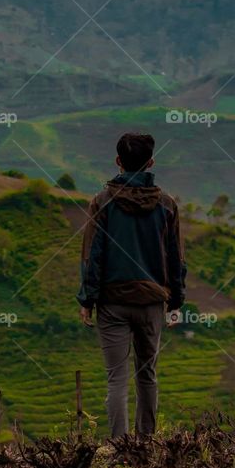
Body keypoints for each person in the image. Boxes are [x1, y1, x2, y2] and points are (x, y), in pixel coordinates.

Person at [77, 131, 186, 438]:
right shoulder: (167, 205)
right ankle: (145, 443)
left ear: (118, 162)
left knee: (116, 379)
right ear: (151, 162)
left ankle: (117, 446)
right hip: (151, 303)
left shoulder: (102, 202)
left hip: (112, 303)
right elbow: (175, 259)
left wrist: (87, 299)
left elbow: (92, 256)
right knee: (147, 375)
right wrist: (175, 302)